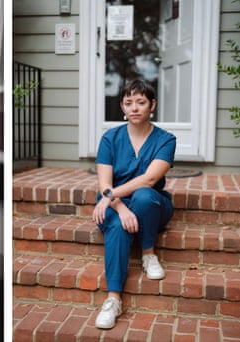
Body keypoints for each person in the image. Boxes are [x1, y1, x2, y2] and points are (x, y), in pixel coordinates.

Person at [92, 79, 176, 329]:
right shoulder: (110, 138)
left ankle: (148, 254)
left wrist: (110, 196)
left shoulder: (166, 139)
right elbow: (104, 183)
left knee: (143, 196)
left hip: (153, 204)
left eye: (141, 102)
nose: (135, 108)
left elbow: (150, 179)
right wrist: (118, 205)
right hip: (116, 203)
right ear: (122, 107)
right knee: (117, 227)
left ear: (153, 105)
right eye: (129, 103)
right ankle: (113, 299)